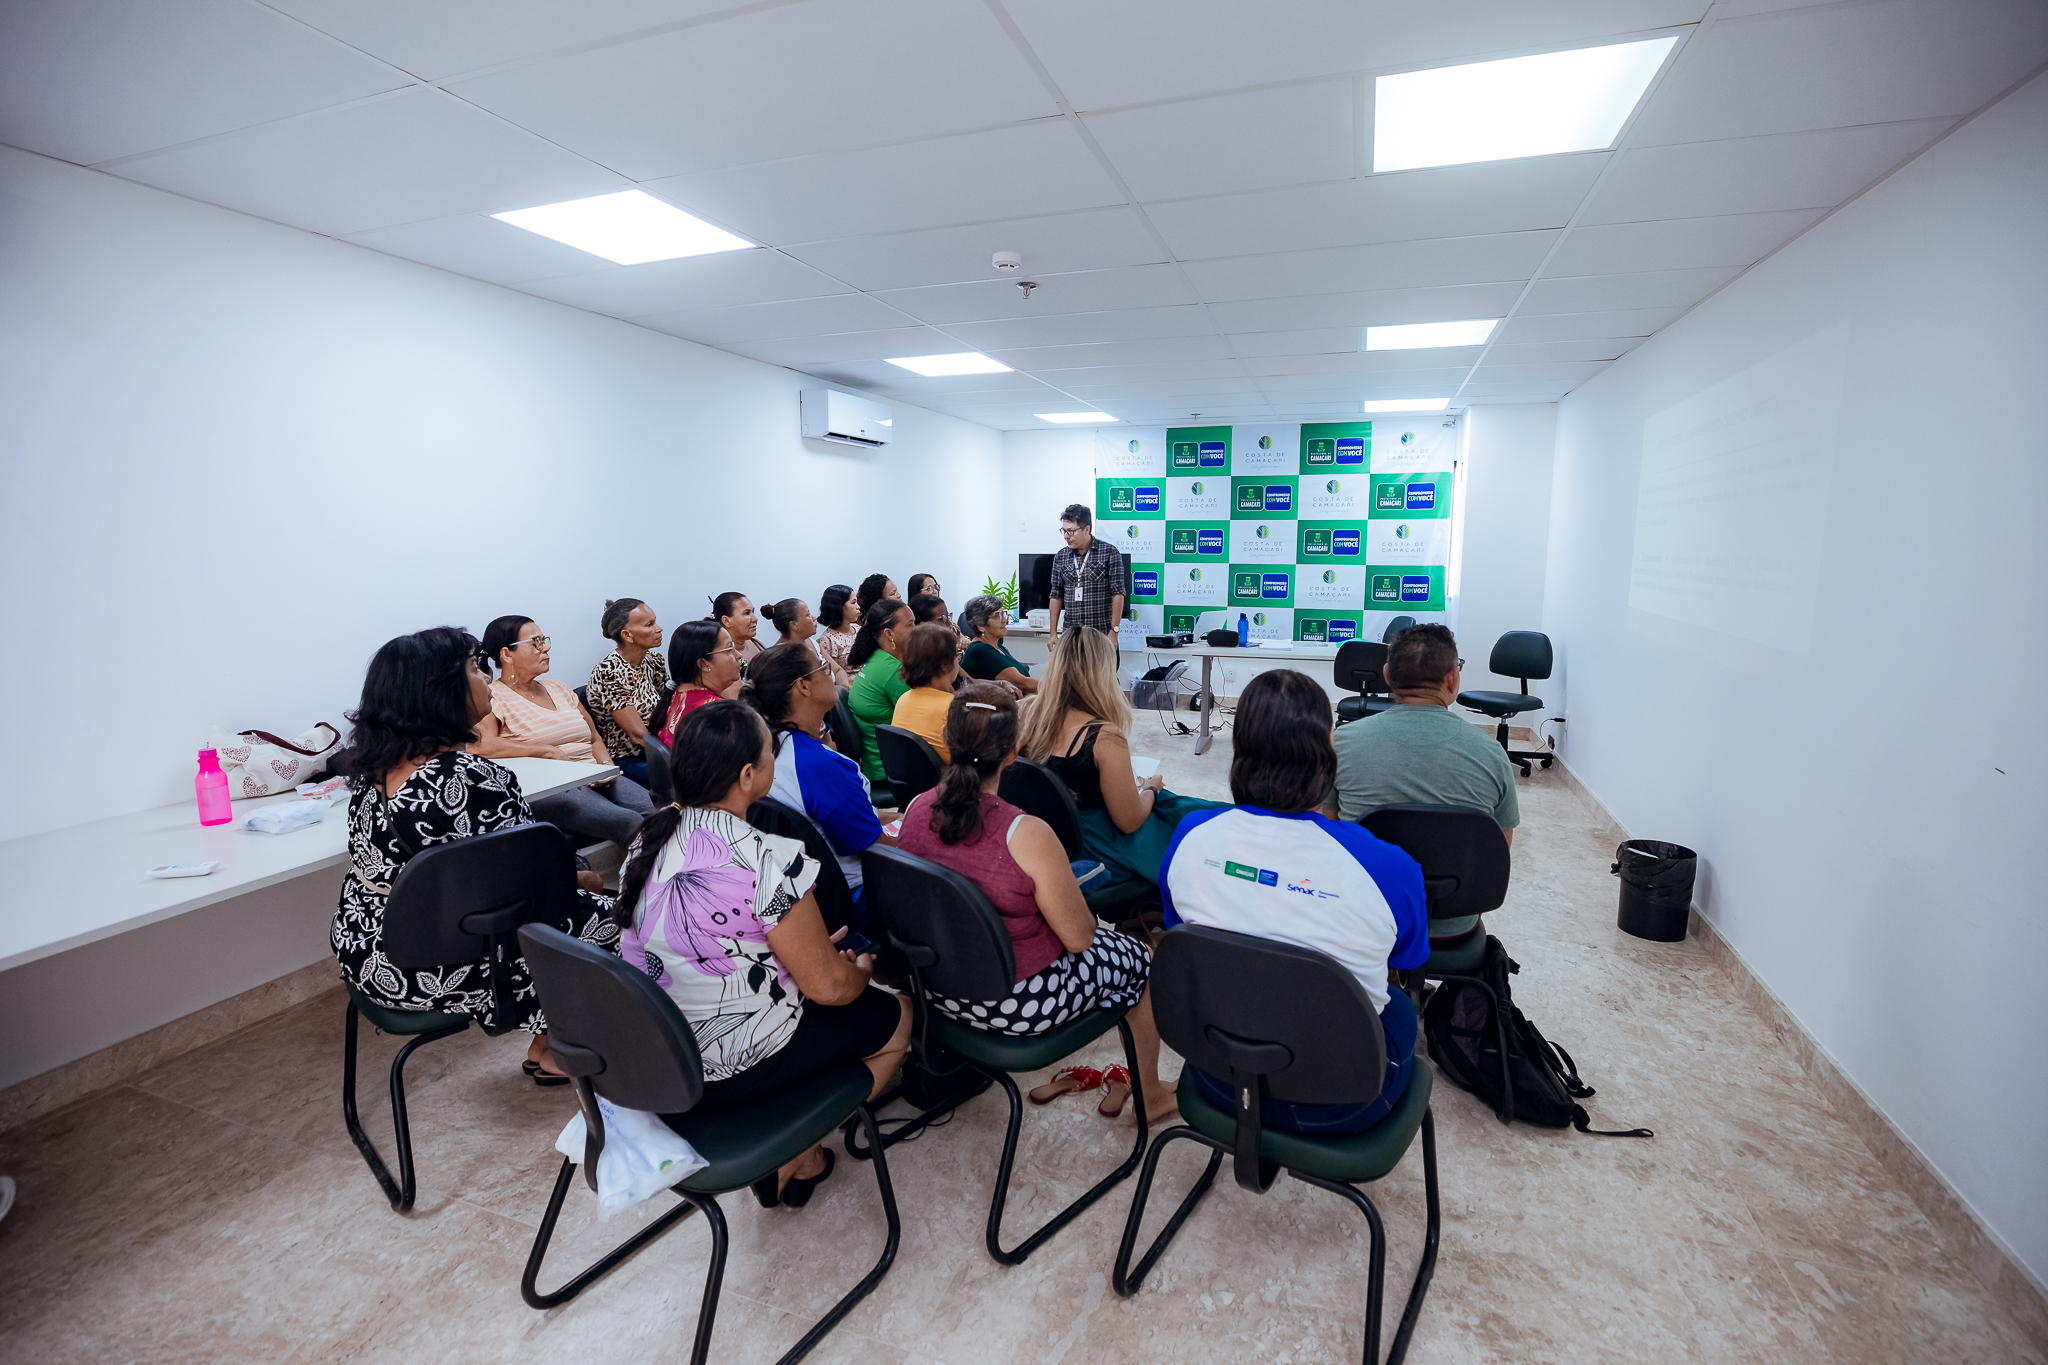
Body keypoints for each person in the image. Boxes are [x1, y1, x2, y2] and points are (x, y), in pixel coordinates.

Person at [614, 700, 912, 1206]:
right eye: (771, 752)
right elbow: (829, 988)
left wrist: (805, 953)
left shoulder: (649, 835)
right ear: (748, 775)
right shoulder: (767, 857)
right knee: (899, 1016)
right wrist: (859, 971)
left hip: (665, 1055)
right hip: (734, 1066)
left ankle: (797, 1142)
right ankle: (795, 1155)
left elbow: (708, 938)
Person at [331, 627, 620, 1086]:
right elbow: (536, 889)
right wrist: (583, 881)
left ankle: (550, 1043)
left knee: (567, 901)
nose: (487, 679)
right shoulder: (472, 779)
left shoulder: (371, 772)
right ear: (440, 690)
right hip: (437, 961)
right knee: (620, 919)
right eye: (474, 668)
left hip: (371, 951)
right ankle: (567, 1048)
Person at [1160, 670, 1428, 1134]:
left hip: (1218, 1076)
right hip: (1344, 1103)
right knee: (1401, 1008)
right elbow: (1406, 960)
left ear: (1239, 746)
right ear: (1329, 745)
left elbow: (1183, 935)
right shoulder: (1390, 868)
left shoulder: (1189, 836)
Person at [896, 684, 1177, 1124]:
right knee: (1141, 960)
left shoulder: (914, 809)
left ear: (947, 739)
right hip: (1016, 1004)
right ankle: (1152, 1095)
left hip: (935, 990)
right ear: (1013, 753)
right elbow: (1080, 938)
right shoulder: (1025, 833)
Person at [1018, 627, 1225, 891]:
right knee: (1185, 816)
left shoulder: (1023, 714)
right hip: (1092, 845)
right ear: (1103, 673)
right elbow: (1129, 821)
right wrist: (1151, 788)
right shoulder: (1104, 736)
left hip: (1044, 836)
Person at [474, 616, 654, 849]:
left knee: (658, 814)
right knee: (630, 822)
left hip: (593, 774)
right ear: (507, 654)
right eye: (535, 643)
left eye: (544, 641)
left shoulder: (559, 687)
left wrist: (606, 768)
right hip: (553, 788)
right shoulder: (493, 696)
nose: (545, 649)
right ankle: (645, 873)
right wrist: (546, 751)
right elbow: (482, 745)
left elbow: (594, 737)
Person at [743, 643, 894, 919]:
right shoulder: (818, 766)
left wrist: (897, 816)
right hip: (859, 894)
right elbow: (872, 845)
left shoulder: (768, 746)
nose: (830, 674)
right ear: (803, 686)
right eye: (823, 669)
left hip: (811, 892)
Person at [1331, 623, 1520, 844]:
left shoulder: (1339, 744)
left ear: (1387, 675)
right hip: (1458, 868)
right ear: (1452, 678)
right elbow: (1501, 844)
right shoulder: (1492, 753)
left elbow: (1328, 827)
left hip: (1365, 867)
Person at [585, 598, 668, 787]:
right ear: (627, 635)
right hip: (628, 758)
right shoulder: (609, 672)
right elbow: (639, 737)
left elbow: (668, 705)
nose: (659, 629)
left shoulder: (653, 660)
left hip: (659, 747)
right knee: (694, 775)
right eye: (650, 625)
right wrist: (679, 757)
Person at [844, 597, 913, 785]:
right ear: (889, 634)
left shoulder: (878, 659)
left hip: (875, 764)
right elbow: (920, 719)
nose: (916, 630)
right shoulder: (893, 671)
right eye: (910, 625)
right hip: (891, 770)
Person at [657, 620, 744, 745]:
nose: (739, 655)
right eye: (729, 649)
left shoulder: (679, 695)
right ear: (704, 664)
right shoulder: (717, 714)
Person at [1047, 502, 1127, 638]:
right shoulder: (1061, 556)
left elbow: (1118, 593)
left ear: (1087, 529)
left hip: (1100, 635)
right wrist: (1053, 634)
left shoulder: (1109, 553)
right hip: (1071, 636)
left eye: (1071, 531)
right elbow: (1056, 595)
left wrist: (1114, 632)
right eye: (1064, 531)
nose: (1066, 536)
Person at [889, 622, 962, 760]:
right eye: (956, 655)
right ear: (945, 665)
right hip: (952, 773)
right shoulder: (954, 708)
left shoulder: (903, 699)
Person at [958, 594, 1037, 695]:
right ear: (981, 625)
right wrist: (1055, 685)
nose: (1004, 620)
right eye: (997, 616)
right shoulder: (980, 650)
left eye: (1003, 614)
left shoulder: (999, 647)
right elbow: (1021, 683)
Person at [768, 596, 850, 688]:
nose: (814, 618)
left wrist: (844, 686)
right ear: (794, 625)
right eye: (808, 615)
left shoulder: (812, 642)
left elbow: (838, 670)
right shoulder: (780, 658)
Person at [814, 584, 860, 680]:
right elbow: (833, 677)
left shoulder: (860, 629)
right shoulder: (827, 641)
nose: (858, 607)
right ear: (839, 607)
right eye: (853, 603)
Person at [712, 592, 764, 667]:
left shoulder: (756, 644)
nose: (755, 619)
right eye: (746, 613)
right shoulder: (718, 656)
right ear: (726, 621)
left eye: (753, 612)